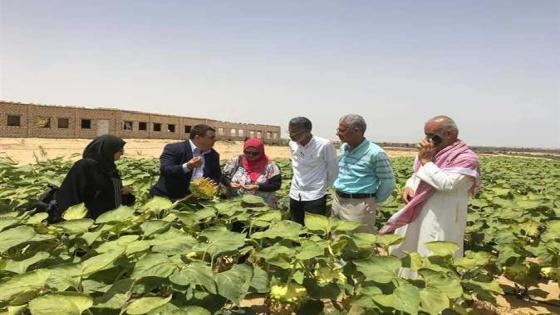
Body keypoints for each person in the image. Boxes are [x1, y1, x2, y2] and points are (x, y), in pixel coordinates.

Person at [380, 115, 481, 261]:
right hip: (417, 209)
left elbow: (446, 184)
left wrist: (426, 161)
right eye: (426, 135)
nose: (427, 140)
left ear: (449, 134)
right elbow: (417, 175)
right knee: (407, 249)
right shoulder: (430, 152)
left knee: (432, 252)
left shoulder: (466, 158)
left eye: (432, 136)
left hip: (442, 215)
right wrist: (408, 186)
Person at [332, 114, 395, 233]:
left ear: (356, 130)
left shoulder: (375, 153)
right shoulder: (344, 147)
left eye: (342, 130)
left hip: (359, 205)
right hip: (338, 200)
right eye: (338, 130)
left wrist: (372, 201)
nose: (337, 133)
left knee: (359, 244)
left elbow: (388, 182)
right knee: (337, 239)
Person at [50, 135, 135, 222]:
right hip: (88, 222)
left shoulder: (110, 168)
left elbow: (111, 194)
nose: (122, 153)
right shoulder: (85, 166)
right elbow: (72, 196)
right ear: (108, 150)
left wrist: (125, 192)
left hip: (111, 221)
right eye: (120, 150)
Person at [288, 117, 338, 225]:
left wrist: (324, 187)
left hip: (315, 195)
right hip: (295, 193)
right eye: (290, 132)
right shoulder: (292, 143)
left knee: (314, 230)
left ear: (308, 131)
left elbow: (333, 170)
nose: (292, 135)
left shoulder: (324, 145)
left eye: (295, 132)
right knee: (296, 227)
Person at [150, 124, 221, 200]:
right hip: (168, 197)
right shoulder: (174, 149)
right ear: (198, 138)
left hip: (196, 199)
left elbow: (216, 174)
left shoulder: (213, 155)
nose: (215, 140)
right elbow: (166, 169)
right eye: (211, 137)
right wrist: (187, 166)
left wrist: (209, 188)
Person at [221, 138, 282, 208]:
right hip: (237, 204)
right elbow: (223, 176)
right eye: (247, 152)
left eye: (255, 153)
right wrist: (230, 183)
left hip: (262, 206)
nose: (251, 155)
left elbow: (276, 185)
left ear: (261, 152)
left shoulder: (270, 165)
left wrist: (257, 187)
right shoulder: (237, 160)